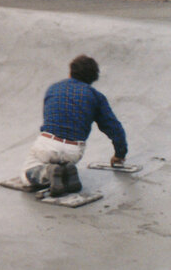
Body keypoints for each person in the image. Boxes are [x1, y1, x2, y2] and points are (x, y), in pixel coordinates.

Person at [20, 54, 127, 196]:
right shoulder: (96, 96)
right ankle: (66, 171)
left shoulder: (53, 88)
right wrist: (119, 154)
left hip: (47, 144)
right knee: (64, 158)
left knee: (27, 174)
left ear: (71, 71)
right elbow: (114, 128)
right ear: (94, 78)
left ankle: (47, 172)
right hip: (73, 150)